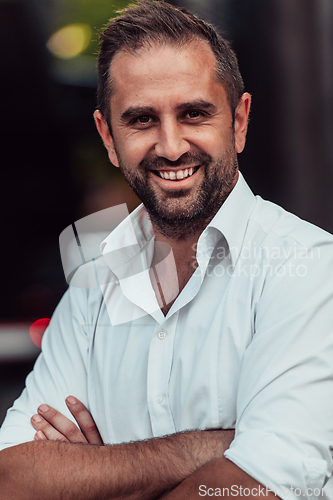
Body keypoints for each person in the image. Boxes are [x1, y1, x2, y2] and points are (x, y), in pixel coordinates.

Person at [1, 1, 333, 499]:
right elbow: (13, 478)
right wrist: (211, 448)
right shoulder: (94, 287)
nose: (171, 145)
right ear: (108, 137)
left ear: (239, 121)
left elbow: (259, 486)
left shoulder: (308, 269)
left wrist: (95, 477)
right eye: (141, 120)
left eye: (194, 113)